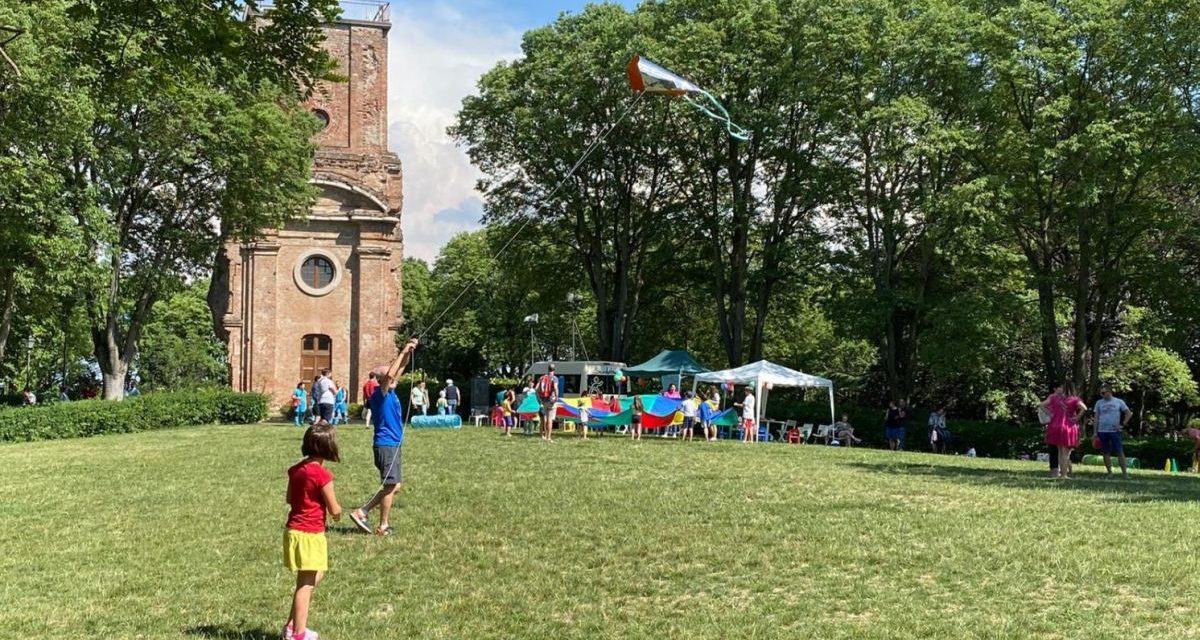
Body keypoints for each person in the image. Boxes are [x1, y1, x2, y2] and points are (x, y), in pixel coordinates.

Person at [350, 338, 418, 537]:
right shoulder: (380, 395)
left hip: (391, 445)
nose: (394, 375)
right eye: (389, 375)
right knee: (390, 486)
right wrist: (404, 349)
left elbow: (397, 371)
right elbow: (391, 374)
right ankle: (383, 526)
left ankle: (362, 511)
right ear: (382, 380)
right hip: (386, 445)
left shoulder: (389, 392)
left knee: (394, 486)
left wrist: (408, 353)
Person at [282, 422, 342, 640]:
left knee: (311, 578)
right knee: (306, 586)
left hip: (293, 531)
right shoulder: (322, 475)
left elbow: (290, 498)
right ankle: (298, 634)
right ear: (328, 448)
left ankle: (291, 626)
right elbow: (334, 507)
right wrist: (337, 513)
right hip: (310, 533)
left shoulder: (296, 470)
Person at [1043, 382, 1086, 479]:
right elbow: (1084, 408)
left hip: (1055, 426)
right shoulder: (1074, 399)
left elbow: (1041, 405)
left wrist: (1050, 414)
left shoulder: (1054, 398)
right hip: (1068, 427)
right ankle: (1064, 475)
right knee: (1066, 453)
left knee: (1059, 452)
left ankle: (1060, 473)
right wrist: (1077, 417)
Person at [1094, 384, 1132, 476]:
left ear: (1109, 392)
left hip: (1115, 431)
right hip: (1102, 431)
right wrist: (1095, 432)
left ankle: (1124, 473)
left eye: (1103, 393)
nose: (1101, 395)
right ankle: (1109, 472)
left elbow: (1128, 413)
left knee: (1119, 451)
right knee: (1105, 452)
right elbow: (1096, 418)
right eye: (1100, 393)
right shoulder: (1099, 403)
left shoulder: (1119, 402)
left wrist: (1122, 424)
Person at [536, 364, 559, 442]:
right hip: (551, 400)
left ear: (548, 369)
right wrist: (556, 397)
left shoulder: (542, 377)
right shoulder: (554, 378)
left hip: (544, 400)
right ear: (554, 370)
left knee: (545, 418)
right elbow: (555, 388)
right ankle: (548, 437)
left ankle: (544, 435)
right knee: (550, 419)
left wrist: (539, 398)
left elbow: (537, 389)